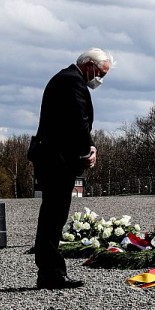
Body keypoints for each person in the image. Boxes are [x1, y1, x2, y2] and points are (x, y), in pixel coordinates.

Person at [33, 48, 112, 289]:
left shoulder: (65, 79)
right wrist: (88, 149)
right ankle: (51, 273)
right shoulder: (72, 82)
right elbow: (77, 122)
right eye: (100, 73)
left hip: (53, 158)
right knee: (54, 216)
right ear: (89, 65)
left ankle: (50, 271)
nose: (100, 79)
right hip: (57, 160)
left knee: (53, 215)